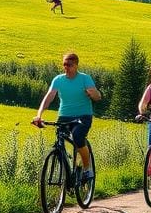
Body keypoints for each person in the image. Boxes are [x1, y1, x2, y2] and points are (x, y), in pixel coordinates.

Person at [32, 51, 102, 180]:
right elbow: (48, 98)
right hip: (64, 116)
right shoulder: (58, 80)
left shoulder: (84, 78)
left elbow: (98, 97)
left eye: (69, 65)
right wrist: (39, 115)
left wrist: (93, 93)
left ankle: (87, 169)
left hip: (83, 115)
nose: (66, 67)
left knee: (77, 137)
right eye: (64, 64)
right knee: (60, 140)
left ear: (76, 65)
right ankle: (65, 167)